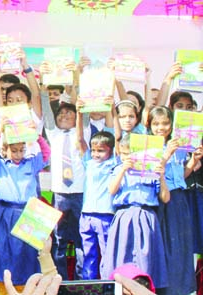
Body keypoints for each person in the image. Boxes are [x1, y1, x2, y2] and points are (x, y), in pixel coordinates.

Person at [0, 120, 50, 295]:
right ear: (5, 150)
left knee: (29, 254)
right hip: (7, 213)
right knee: (5, 251)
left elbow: (46, 153)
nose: (18, 154)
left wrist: (38, 136)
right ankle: (5, 289)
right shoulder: (0, 166)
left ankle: (29, 289)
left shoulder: (31, 163)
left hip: (29, 212)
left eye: (21, 150)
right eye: (14, 150)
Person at [101, 134, 169, 290]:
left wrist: (162, 176)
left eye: (132, 154)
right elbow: (111, 190)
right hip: (124, 215)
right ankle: (120, 289)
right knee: (122, 255)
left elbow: (165, 198)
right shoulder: (118, 169)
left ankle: (144, 289)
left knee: (145, 258)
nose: (129, 158)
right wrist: (123, 170)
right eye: (125, 154)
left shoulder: (152, 170)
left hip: (146, 215)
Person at [147, 106, 196, 295]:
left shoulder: (179, 145)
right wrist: (165, 155)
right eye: (156, 123)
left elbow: (181, 176)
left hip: (179, 199)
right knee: (165, 245)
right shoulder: (148, 145)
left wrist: (192, 162)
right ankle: (164, 290)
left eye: (166, 123)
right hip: (159, 200)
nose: (161, 127)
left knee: (181, 245)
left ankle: (182, 289)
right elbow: (150, 173)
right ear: (149, 125)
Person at [43, 102, 85, 280]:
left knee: (80, 239)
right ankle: (60, 278)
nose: (64, 116)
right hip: (60, 194)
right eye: (60, 113)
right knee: (59, 238)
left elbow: (83, 113)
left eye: (69, 113)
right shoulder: (53, 134)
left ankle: (80, 277)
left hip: (79, 193)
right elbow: (46, 109)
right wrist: (44, 89)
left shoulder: (82, 133)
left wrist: (81, 103)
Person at [74, 99, 115, 280]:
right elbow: (79, 139)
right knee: (88, 252)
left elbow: (117, 135)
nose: (97, 154)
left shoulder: (114, 163)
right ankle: (88, 284)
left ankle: (107, 283)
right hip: (87, 215)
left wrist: (110, 108)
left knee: (107, 254)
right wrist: (79, 113)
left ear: (111, 151)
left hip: (106, 215)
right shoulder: (88, 162)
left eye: (102, 151)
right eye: (95, 150)